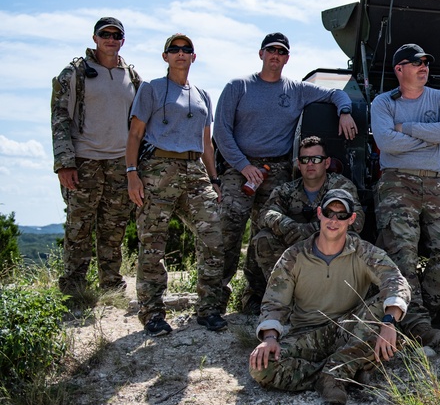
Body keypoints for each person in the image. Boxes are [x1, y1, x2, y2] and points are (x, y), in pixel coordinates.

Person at [214, 32, 359, 314]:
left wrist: (344, 111)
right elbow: (221, 131)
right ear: (261, 54)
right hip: (239, 168)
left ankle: (256, 298)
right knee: (227, 233)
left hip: (276, 169)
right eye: (271, 50)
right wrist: (244, 166)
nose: (276, 56)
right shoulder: (238, 86)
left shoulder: (297, 89)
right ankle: (214, 301)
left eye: (281, 52)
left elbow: (335, 92)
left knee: (264, 232)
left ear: (287, 58)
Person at [249, 189, 410, 405]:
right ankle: (338, 373)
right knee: (261, 367)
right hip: (308, 335)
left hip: (350, 330)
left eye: (341, 215)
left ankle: (336, 373)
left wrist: (389, 323)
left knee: (384, 310)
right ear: (319, 213)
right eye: (329, 213)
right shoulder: (294, 256)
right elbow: (275, 303)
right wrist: (269, 339)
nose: (334, 220)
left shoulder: (363, 251)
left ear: (351, 219)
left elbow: (396, 281)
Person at [125, 34, 228, 336]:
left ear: (194, 57)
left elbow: (206, 142)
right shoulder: (151, 89)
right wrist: (132, 173)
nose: (181, 54)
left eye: (186, 50)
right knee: (153, 242)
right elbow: (134, 134)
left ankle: (209, 309)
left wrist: (214, 178)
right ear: (165, 56)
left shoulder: (202, 95)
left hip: (194, 168)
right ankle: (153, 313)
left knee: (213, 234)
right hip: (158, 167)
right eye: (175, 50)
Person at [370, 43, 440, 348]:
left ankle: (422, 316)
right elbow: (386, 142)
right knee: (403, 252)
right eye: (416, 63)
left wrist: (406, 128)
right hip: (397, 182)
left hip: (436, 184)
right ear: (399, 69)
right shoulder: (383, 103)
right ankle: (418, 325)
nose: (424, 67)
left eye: (426, 62)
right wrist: (428, 139)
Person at [51, 17, 141, 304]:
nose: (111, 39)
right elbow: (60, 119)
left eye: (117, 35)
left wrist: (136, 167)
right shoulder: (74, 73)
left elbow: (140, 125)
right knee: (79, 226)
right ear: (95, 37)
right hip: (84, 161)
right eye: (106, 34)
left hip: (119, 162)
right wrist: (65, 163)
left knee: (113, 227)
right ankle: (73, 288)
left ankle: (111, 286)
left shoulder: (132, 76)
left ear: (122, 40)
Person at [250, 135, 364, 288]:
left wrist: (315, 230)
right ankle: (281, 294)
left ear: (327, 162)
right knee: (264, 238)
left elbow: (357, 220)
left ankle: (338, 297)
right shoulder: (287, 189)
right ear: (299, 164)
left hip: (330, 247)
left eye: (316, 159)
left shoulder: (341, 186)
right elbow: (266, 213)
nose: (310, 164)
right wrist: (286, 225)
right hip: (294, 247)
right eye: (304, 160)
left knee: (352, 239)